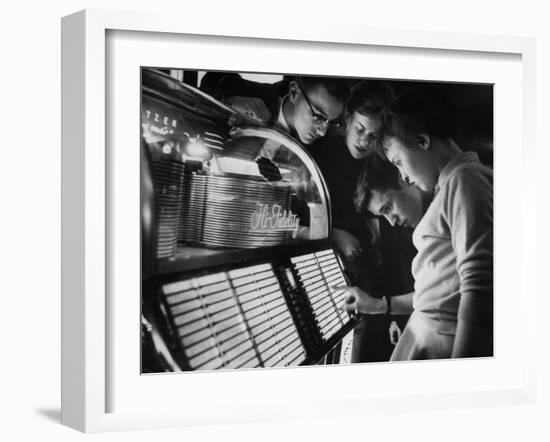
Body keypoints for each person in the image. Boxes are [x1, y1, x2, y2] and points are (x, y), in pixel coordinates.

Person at [341, 85, 493, 360]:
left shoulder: (465, 180)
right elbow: (440, 291)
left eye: (399, 162)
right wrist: (378, 306)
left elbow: (479, 286)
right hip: (429, 331)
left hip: (445, 339)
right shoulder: (449, 187)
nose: (403, 174)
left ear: (422, 141)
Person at [201, 73, 348, 146]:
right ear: (294, 93)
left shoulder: (321, 147)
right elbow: (207, 84)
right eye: (318, 117)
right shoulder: (246, 93)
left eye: (331, 122)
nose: (322, 132)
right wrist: (226, 102)